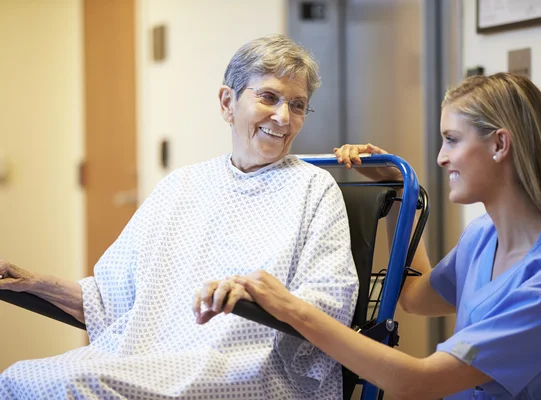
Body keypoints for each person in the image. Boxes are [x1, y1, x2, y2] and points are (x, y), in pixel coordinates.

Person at [0, 34, 359, 399]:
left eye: (297, 105)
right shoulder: (182, 185)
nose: (283, 117)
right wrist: (35, 283)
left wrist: (258, 297)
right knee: (19, 379)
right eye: (268, 97)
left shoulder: (314, 188)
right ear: (227, 103)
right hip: (147, 360)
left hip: (250, 370)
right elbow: (109, 298)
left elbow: (332, 302)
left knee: (76, 386)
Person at [227, 73, 541, 399]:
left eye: (452, 140)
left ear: (499, 145)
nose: (440, 157)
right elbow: (416, 297)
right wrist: (398, 193)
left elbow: (418, 383)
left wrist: (291, 310)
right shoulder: (484, 237)